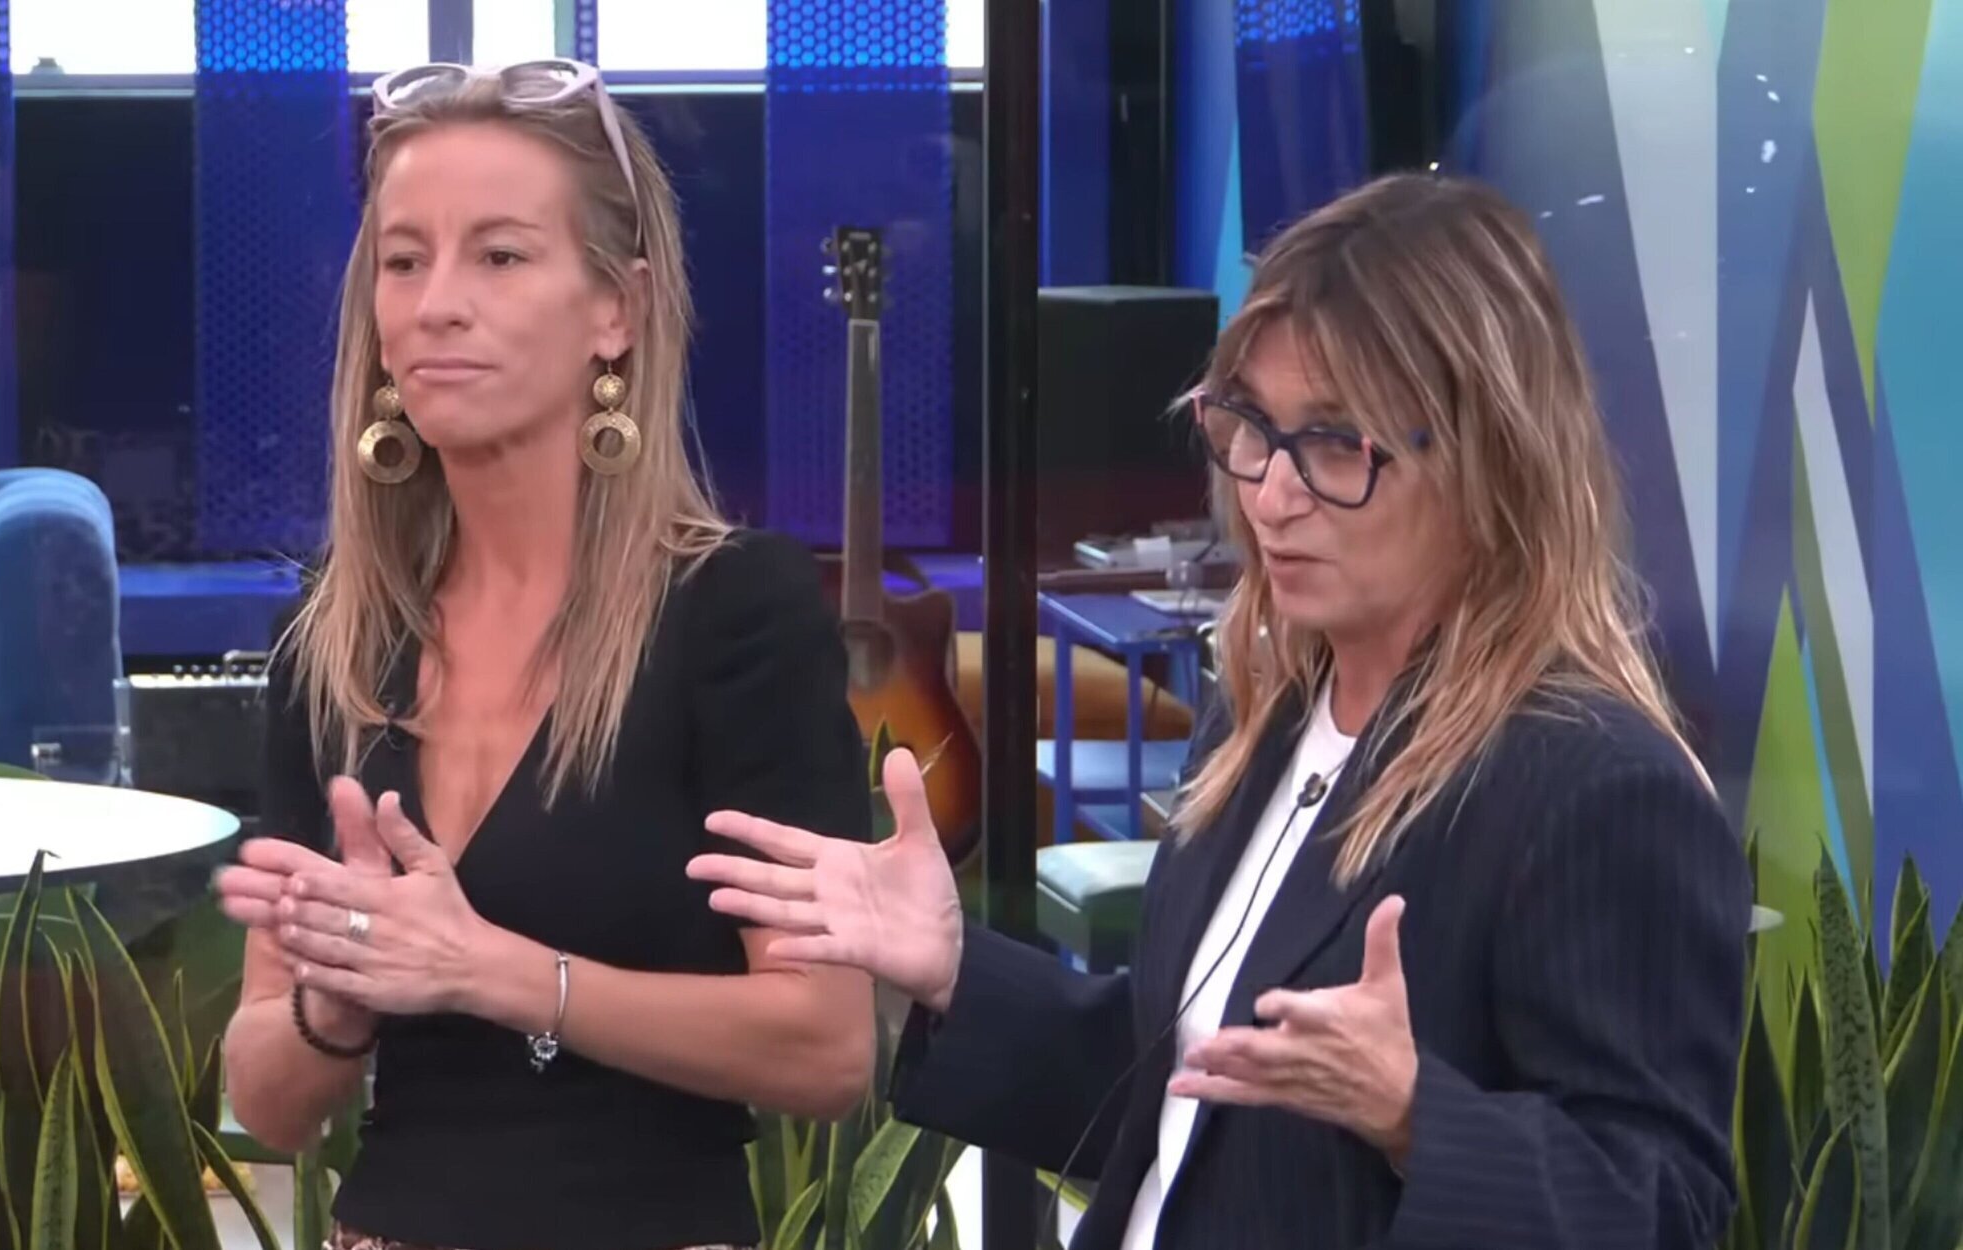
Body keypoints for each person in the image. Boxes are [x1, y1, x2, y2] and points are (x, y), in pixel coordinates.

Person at [687, 173, 1752, 1249]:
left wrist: (1416, 1117)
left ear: (1491, 456)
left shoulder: (1597, 786)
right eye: (1250, 429)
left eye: (1336, 444)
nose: (1271, 496)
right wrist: (957, 969)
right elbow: (1192, 1087)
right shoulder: (1265, 714)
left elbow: (1662, 1209)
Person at [213, 59, 875, 1250]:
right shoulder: (334, 644)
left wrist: (495, 970)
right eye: (403, 261)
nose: (437, 304)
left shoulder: (735, 615)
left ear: (615, 308)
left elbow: (826, 1046)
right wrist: (340, 1001)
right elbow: (266, 1099)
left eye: (500, 256)